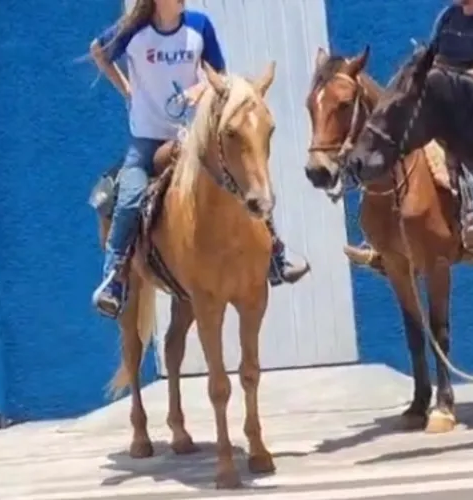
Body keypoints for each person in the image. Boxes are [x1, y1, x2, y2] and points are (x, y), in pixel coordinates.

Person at [88, 0, 309, 319]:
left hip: (190, 135)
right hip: (147, 139)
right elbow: (98, 50)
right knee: (129, 198)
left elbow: (220, 75)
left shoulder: (199, 26)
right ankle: (114, 279)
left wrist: (201, 88)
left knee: (243, 178)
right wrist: (127, 90)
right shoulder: (135, 30)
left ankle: (276, 253)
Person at [344, 0, 473, 264]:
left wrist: (447, 79)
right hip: (443, 106)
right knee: (391, 137)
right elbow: (434, 59)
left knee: (463, 139)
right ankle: (382, 237)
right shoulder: (449, 16)